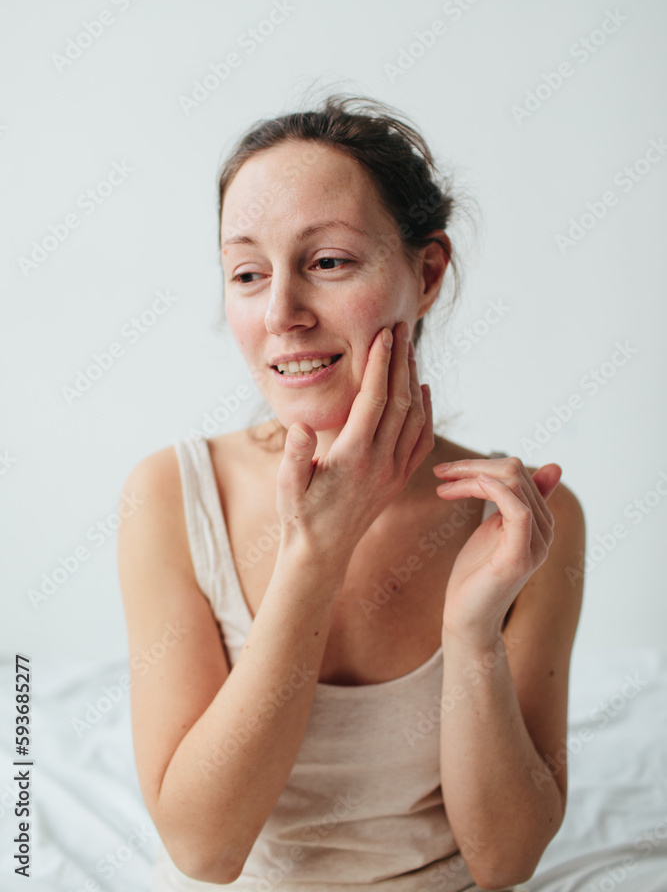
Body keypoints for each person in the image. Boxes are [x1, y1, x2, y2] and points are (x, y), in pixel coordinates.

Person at [117, 93, 586, 891]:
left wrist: (473, 632)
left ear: (426, 271)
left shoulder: (522, 521)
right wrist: (315, 553)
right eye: (247, 273)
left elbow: (503, 863)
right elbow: (204, 850)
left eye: (328, 262)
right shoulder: (169, 494)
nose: (281, 314)